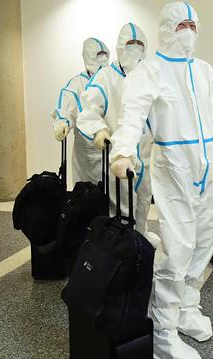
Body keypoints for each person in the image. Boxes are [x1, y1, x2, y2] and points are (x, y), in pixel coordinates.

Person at [109, 2, 213, 359]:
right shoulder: (150, 71)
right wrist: (123, 151)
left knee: (204, 239)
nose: (189, 31)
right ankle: (163, 333)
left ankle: (187, 307)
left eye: (194, 25)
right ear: (166, 28)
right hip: (173, 166)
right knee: (177, 248)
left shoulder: (204, 70)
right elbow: (132, 114)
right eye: (182, 25)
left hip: (206, 169)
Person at [75, 23, 159, 246]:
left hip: (147, 152)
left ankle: (139, 239)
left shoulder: (151, 74)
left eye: (139, 44)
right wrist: (99, 129)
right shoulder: (106, 77)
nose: (134, 49)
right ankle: (122, 245)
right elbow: (87, 112)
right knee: (121, 204)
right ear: (120, 47)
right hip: (120, 155)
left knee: (143, 199)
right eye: (129, 44)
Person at [52, 38, 110, 184]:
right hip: (85, 151)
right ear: (88, 56)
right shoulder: (77, 83)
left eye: (104, 54)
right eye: (98, 54)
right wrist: (62, 123)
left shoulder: (113, 79)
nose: (102, 58)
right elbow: (67, 106)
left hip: (110, 145)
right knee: (85, 193)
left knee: (113, 193)